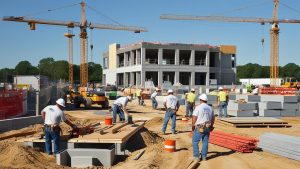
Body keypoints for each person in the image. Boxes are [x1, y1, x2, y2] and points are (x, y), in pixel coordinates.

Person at [192, 94, 215, 162]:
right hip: (207, 127)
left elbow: (194, 117)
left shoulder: (198, 107)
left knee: (195, 141)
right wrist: (211, 126)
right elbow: (213, 118)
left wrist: (193, 126)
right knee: (205, 142)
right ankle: (204, 157)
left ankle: (196, 157)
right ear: (206, 100)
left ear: (200, 100)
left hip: (200, 127)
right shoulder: (210, 108)